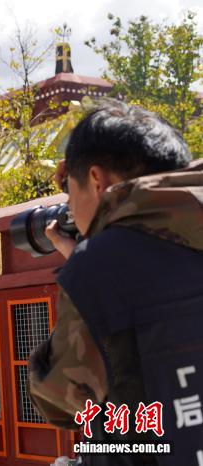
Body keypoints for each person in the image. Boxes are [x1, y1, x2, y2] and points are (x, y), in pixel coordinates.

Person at [28, 100, 202, 465]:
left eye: (68, 190)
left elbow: (60, 397)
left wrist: (87, 268)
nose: (70, 208)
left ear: (96, 180)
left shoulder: (100, 265)